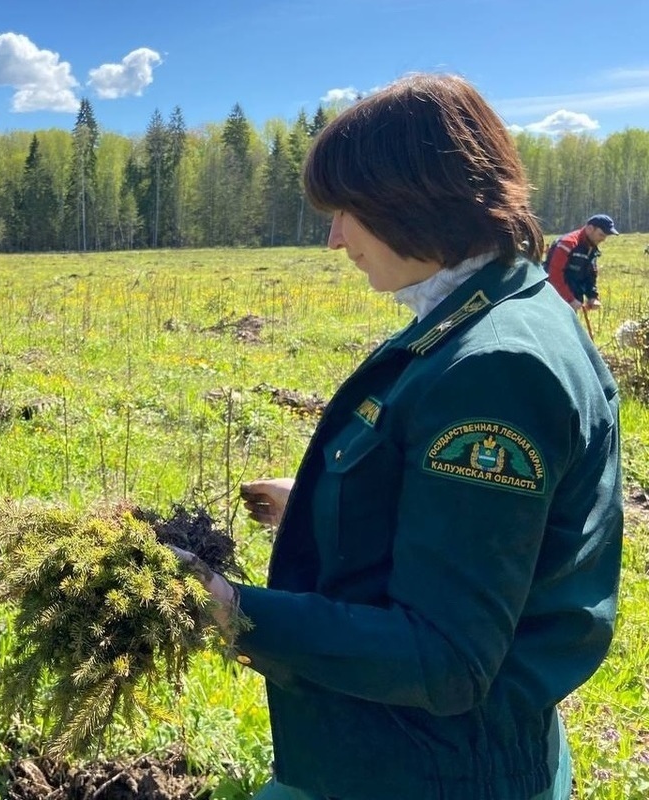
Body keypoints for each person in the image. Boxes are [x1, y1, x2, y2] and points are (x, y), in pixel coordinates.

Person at [179, 74, 623, 800]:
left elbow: (443, 656)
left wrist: (232, 612)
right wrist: (326, 505)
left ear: (413, 199)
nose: (335, 239)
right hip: (427, 752)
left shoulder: (495, 367)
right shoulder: (501, 306)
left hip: (425, 768)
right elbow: (489, 533)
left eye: (347, 212)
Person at [543, 214, 618, 311]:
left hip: (572, 302)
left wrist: (592, 297)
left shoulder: (592, 248)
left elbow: (590, 274)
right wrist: (570, 299)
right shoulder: (568, 243)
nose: (603, 239)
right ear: (590, 229)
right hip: (553, 301)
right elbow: (554, 275)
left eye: (605, 236)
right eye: (601, 235)